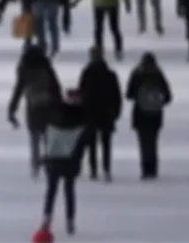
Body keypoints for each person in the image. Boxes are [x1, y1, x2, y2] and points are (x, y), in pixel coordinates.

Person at [38, 89, 89, 237]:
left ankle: (46, 218)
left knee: (51, 189)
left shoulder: (54, 114)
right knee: (69, 189)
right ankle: (70, 220)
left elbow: (46, 133)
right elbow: (85, 141)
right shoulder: (82, 117)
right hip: (71, 159)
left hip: (54, 158)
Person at [8, 45, 63, 178]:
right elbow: (56, 87)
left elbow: (18, 90)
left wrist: (12, 109)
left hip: (33, 108)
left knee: (34, 138)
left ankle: (35, 164)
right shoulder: (46, 67)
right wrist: (60, 105)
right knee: (48, 138)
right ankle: (51, 164)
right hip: (48, 107)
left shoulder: (24, 69)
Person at [77, 46, 122, 181]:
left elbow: (81, 93)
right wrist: (116, 112)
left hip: (90, 113)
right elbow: (117, 95)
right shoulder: (110, 74)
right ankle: (107, 168)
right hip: (106, 113)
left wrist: (80, 112)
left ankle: (93, 169)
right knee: (106, 142)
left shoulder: (86, 73)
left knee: (92, 143)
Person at [125, 53, 172, 179]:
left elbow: (129, 94)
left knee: (143, 142)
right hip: (155, 115)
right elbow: (168, 96)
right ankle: (153, 168)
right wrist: (158, 101)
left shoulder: (136, 74)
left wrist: (139, 97)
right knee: (153, 141)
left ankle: (145, 168)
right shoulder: (158, 75)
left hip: (140, 114)